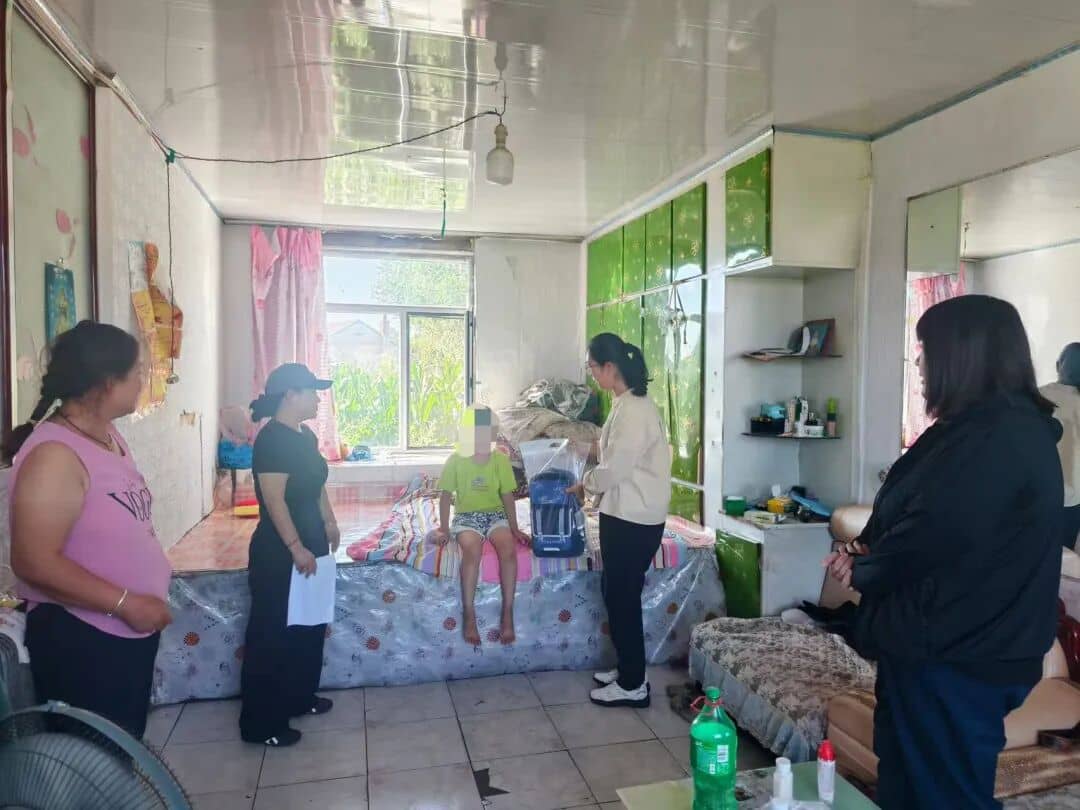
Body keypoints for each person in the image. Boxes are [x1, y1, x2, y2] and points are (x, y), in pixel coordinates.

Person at [825, 296, 1063, 810]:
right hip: (941, 644)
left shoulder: (999, 439)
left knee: (944, 794)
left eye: (925, 350)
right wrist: (867, 547)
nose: (918, 363)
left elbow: (934, 535)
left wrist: (864, 566)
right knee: (911, 783)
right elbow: (917, 515)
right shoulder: (973, 429)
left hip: (961, 654)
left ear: (963, 355)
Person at [7, 321, 172, 738]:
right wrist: (127, 604)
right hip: (83, 637)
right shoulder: (54, 455)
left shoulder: (107, 436)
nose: (143, 381)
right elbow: (33, 562)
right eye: (138, 372)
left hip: (123, 630)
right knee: (91, 756)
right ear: (107, 382)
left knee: (120, 746)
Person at [238, 364, 340, 747]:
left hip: (313, 542)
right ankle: (262, 724)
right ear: (290, 395)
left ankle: (299, 697)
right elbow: (274, 500)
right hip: (279, 552)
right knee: (272, 635)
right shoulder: (272, 441)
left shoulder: (305, 435)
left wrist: (329, 521)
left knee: (309, 625)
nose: (318, 399)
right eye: (312, 392)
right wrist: (296, 547)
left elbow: (316, 484)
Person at [572, 333, 671, 709]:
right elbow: (613, 458)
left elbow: (615, 468)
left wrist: (585, 484)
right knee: (614, 591)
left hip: (634, 520)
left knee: (623, 598)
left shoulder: (634, 411)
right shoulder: (626, 403)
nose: (592, 374)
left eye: (592, 367)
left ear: (610, 367)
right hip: (624, 514)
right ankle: (629, 669)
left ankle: (633, 684)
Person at [435, 406, 530, 646]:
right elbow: (445, 496)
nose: (483, 437)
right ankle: (469, 613)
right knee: (472, 550)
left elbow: (507, 496)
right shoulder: (456, 460)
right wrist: (444, 528)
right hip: (466, 518)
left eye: (488, 432)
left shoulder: (500, 460)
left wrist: (514, 527)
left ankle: (507, 612)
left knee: (508, 550)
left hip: (495, 516)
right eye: (477, 432)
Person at [1040, 342, 1080, 550]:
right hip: (1074, 496)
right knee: (1065, 551)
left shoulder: (1038, 397)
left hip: (1042, 491)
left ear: (1058, 366)